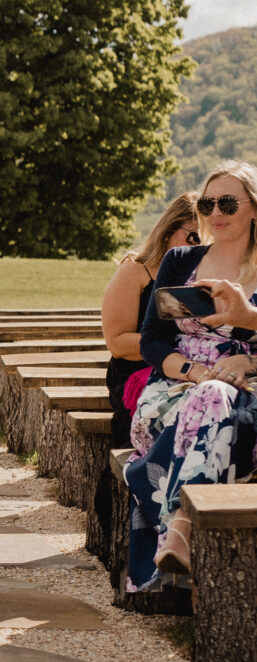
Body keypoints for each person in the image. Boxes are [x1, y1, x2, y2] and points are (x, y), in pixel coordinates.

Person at [125, 160, 257, 589]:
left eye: (228, 202)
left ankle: (175, 528)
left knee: (216, 397)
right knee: (211, 395)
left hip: (249, 389)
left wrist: (248, 361)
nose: (216, 211)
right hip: (174, 390)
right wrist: (196, 372)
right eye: (208, 202)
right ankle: (180, 524)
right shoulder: (181, 260)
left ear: (254, 207)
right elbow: (151, 340)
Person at [100, 192, 200, 447]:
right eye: (192, 237)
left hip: (189, 371)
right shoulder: (136, 269)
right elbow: (118, 343)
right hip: (137, 372)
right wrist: (175, 349)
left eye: (206, 240)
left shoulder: (206, 276)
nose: (198, 247)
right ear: (167, 230)